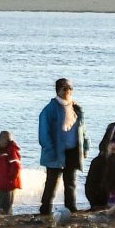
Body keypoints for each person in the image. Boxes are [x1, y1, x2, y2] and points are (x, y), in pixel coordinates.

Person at [37, 78, 88, 219]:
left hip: (72, 151)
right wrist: (50, 149)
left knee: (70, 182)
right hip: (55, 151)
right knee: (52, 182)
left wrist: (85, 147)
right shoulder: (49, 109)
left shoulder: (76, 108)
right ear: (58, 90)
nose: (67, 91)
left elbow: (82, 129)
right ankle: (45, 208)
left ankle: (71, 207)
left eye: (70, 88)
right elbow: (44, 133)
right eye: (64, 88)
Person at [0, 131, 21, 216]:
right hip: (0, 185)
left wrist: (10, 180)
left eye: (0, 138)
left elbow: (16, 166)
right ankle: (4, 219)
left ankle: (7, 222)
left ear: (6, 140)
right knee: (1, 207)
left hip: (7, 185)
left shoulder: (11, 150)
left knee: (6, 208)